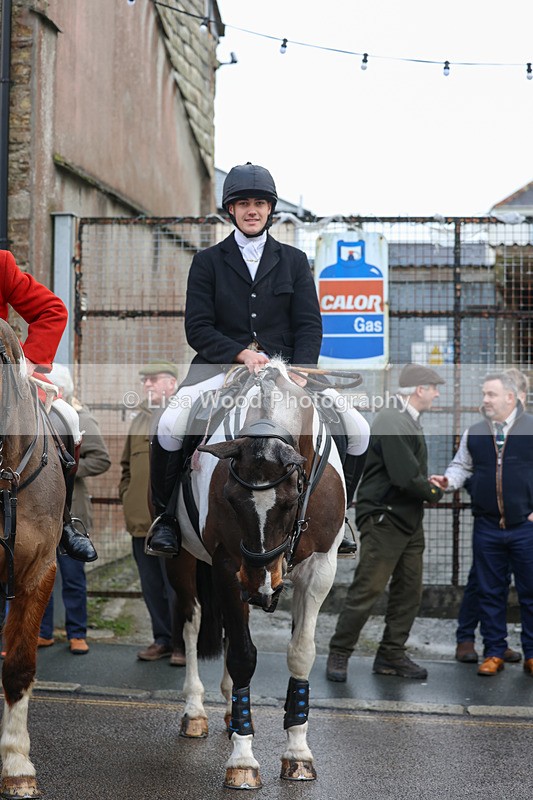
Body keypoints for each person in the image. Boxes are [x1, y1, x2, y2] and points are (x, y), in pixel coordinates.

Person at [145, 162, 370, 558]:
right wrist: (240, 352)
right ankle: (165, 518)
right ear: (230, 209)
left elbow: (308, 324)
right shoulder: (207, 262)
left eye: (260, 203)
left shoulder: (295, 261)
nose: (252, 210)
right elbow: (197, 327)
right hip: (222, 369)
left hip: (288, 374)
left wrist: (299, 370)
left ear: (270, 209)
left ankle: (342, 516)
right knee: (169, 424)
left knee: (360, 429)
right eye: (243, 203)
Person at [326, 363, 445, 682]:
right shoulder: (393, 418)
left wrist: (426, 483)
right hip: (385, 517)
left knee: (410, 591)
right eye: (434, 388)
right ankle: (339, 652)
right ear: (420, 390)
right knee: (368, 588)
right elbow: (404, 476)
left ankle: (391, 654)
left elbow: (408, 470)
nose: (436, 394)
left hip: (407, 518)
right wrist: (434, 490)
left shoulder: (407, 418)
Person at [431, 371, 533, 677]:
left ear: (510, 398)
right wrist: (448, 480)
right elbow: (462, 465)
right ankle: (494, 652)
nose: (485, 400)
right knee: (490, 592)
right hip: (488, 526)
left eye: (490, 394)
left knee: (530, 593)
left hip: (525, 528)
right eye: (484, 394)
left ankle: (531, 653)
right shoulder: (475, 432)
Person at [0, 249, 97, 562]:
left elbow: (52, 310)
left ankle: (65, 522)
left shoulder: (1, 263)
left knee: (67, 418)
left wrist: (29, 360)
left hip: (4, 385)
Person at [38, 364, 111, 654]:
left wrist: (66, 470)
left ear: (60, 391)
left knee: (72, 576)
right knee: (39, 576)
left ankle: (77, 633)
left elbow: (102, 459)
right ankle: (42, 632)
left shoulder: (80, 418)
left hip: (72, 511)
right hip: (40, 513)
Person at [119, 362, 186, 664]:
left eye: (153, 379)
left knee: (178, 586)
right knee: (151, 586)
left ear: (171, 384)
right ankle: (162, 639)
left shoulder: (185, 416)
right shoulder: (138, 420)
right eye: (144, 380)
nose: (146, 384)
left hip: (173, 523)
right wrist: (128, 497)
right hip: (141, 523)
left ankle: (183, 644)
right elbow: (125, 469)